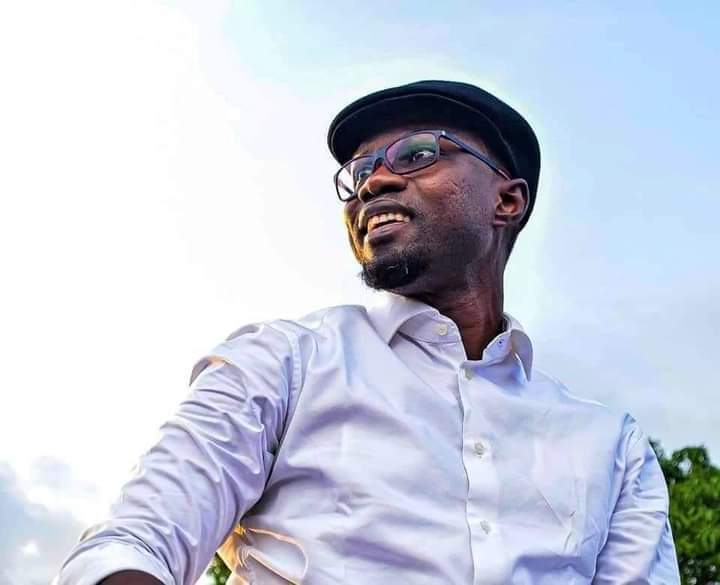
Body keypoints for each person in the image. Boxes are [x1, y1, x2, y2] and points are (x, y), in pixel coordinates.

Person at [56, 80, 680, 584]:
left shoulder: (611, 448)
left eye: (418, 154)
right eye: (358, 174)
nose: (374, 182)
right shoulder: (282, 364)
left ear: (507, 201)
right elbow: (131, 545)